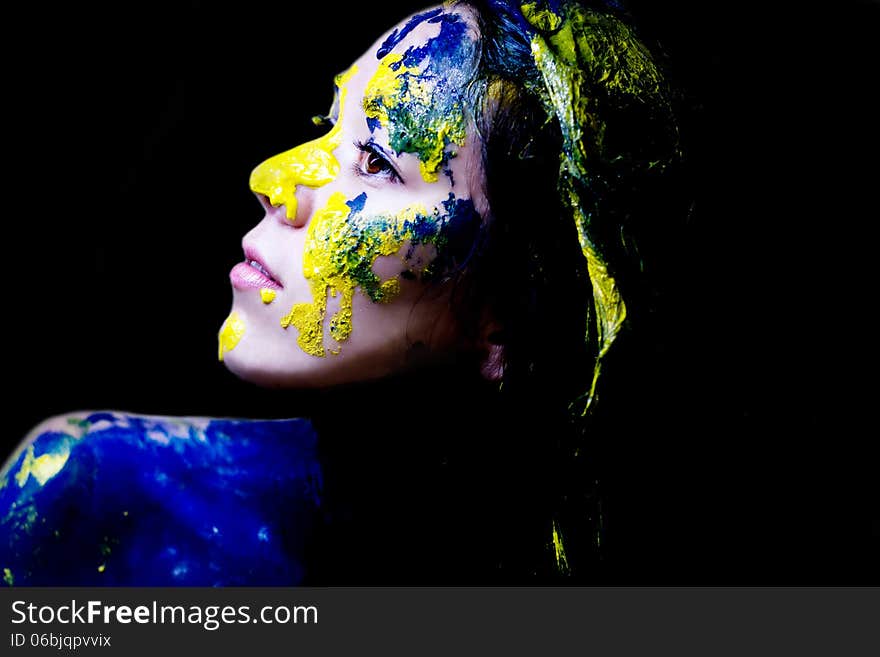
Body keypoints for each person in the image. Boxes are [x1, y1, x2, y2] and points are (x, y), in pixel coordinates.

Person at [0, 0, 681, 585]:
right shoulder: (90, 498)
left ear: (512, 313)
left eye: (377, 162)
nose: (272, 176)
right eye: (327, 122)